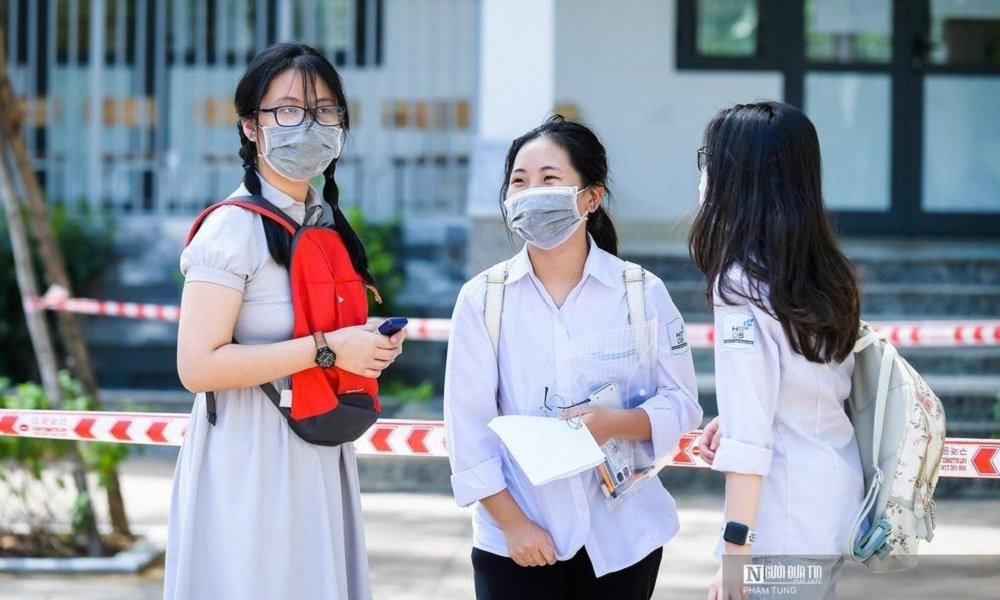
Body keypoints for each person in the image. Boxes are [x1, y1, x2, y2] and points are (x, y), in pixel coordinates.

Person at [165, 42, 404, 600]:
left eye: (325, 111)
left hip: (317, 446)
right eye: (289, 109)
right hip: (250, 459)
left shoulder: (324, 224)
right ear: (251, 126)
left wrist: (365, 348)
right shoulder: (231, 229)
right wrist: (327, 348)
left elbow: (330, 339)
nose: (310, 124)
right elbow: (197, 367)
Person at [444, 116, 702, 600]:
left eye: (549, 179)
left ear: (591, 198)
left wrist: (615, 423)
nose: (531, 192)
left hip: (625, 540)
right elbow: (468, 429)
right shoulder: (482, 299)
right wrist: (514, 525)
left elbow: (683, 403)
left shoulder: (641, 292)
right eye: (519, 181)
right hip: (516, 542)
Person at [689, 101, 864, 600]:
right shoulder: (825, 275)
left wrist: (734, 553)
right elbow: (810, 389)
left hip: (781, 520)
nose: (704, 174)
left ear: (737, 177)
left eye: (710, 159)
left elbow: (749, 441)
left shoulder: (742, 284)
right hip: (831, 502)